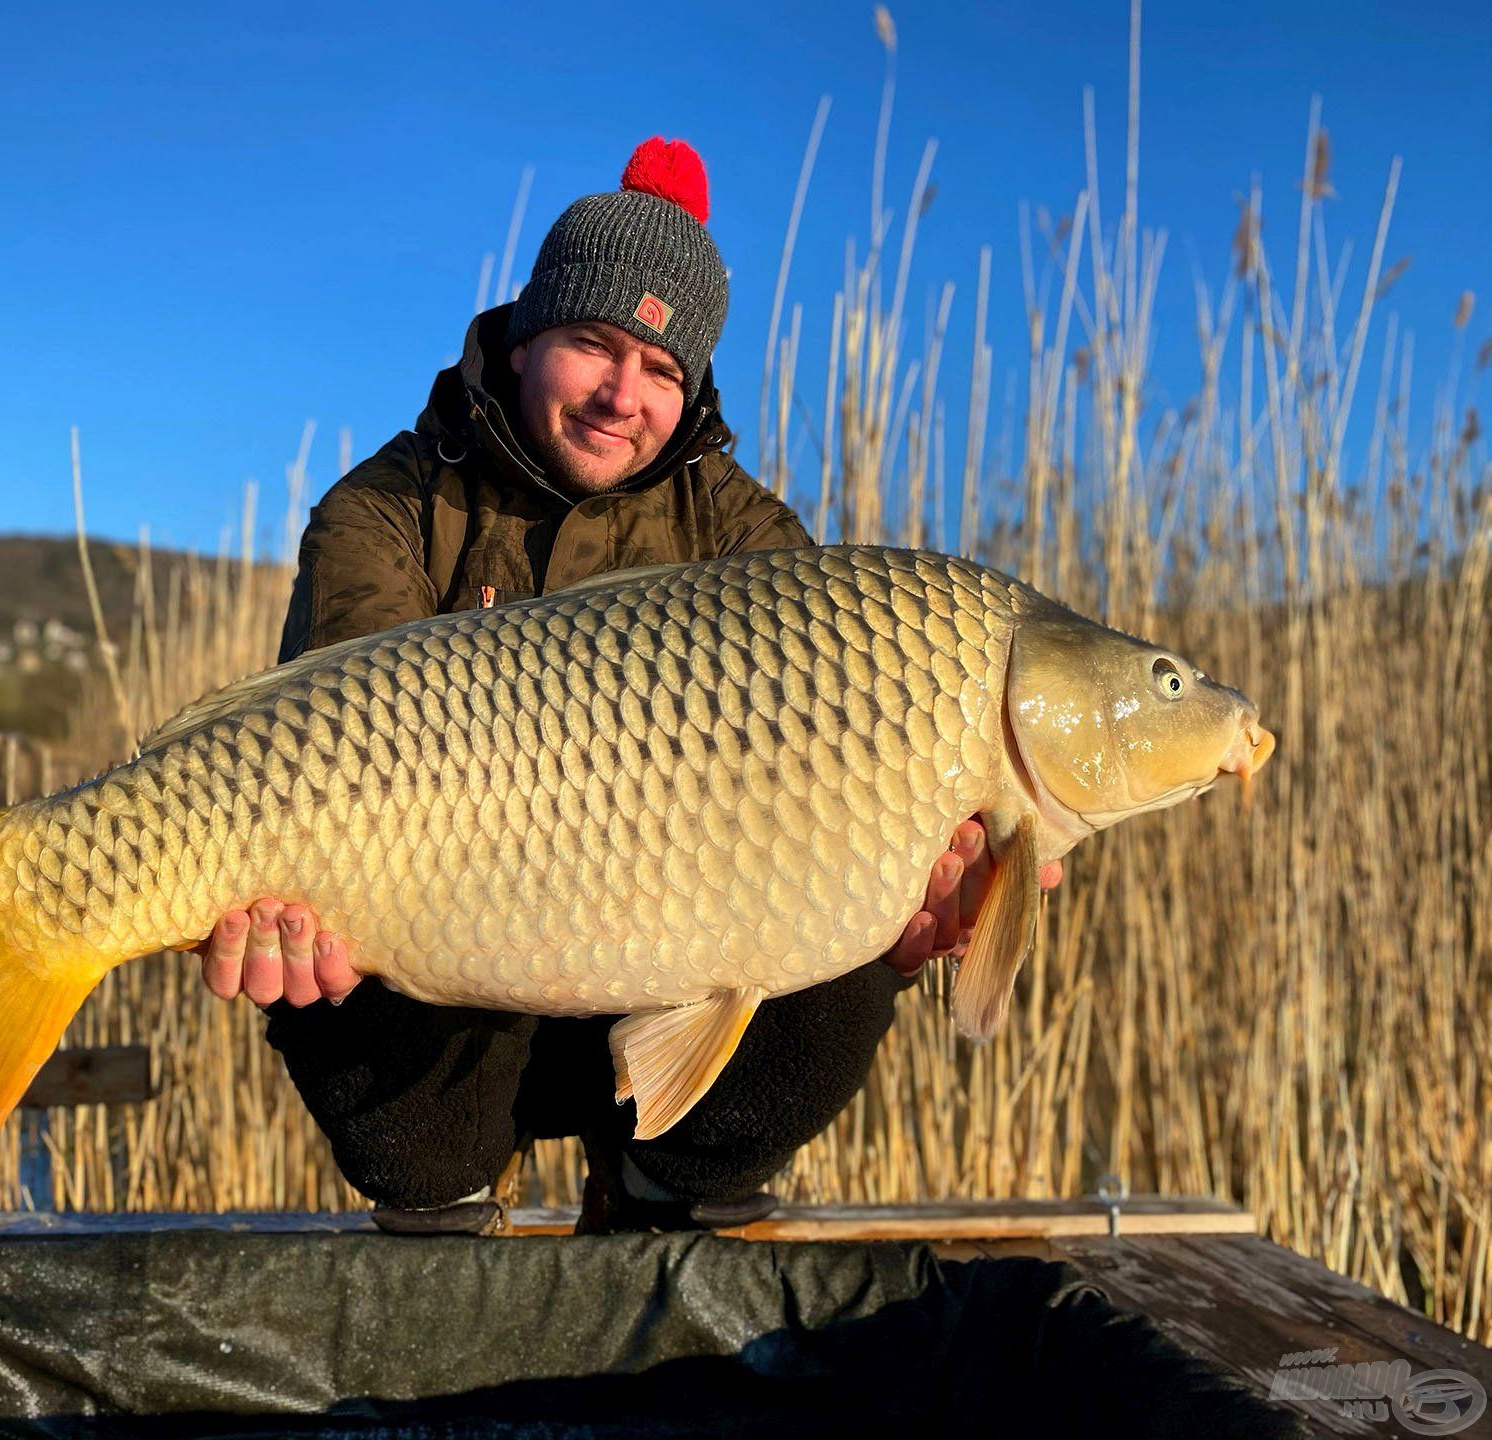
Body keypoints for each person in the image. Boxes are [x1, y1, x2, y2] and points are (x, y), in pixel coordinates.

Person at [192, 138, 1060, 1233]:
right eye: (591, 347)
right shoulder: (384, 510)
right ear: (520, 343)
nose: (621, 396)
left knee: (858, 912)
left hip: (668, 970)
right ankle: (445, 1191)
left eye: (661, 372)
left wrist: (915, 898)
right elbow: (343, 746)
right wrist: (286, 908)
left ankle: (669, 1179)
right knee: (340, 920)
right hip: (445, 959)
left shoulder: (751, 538)